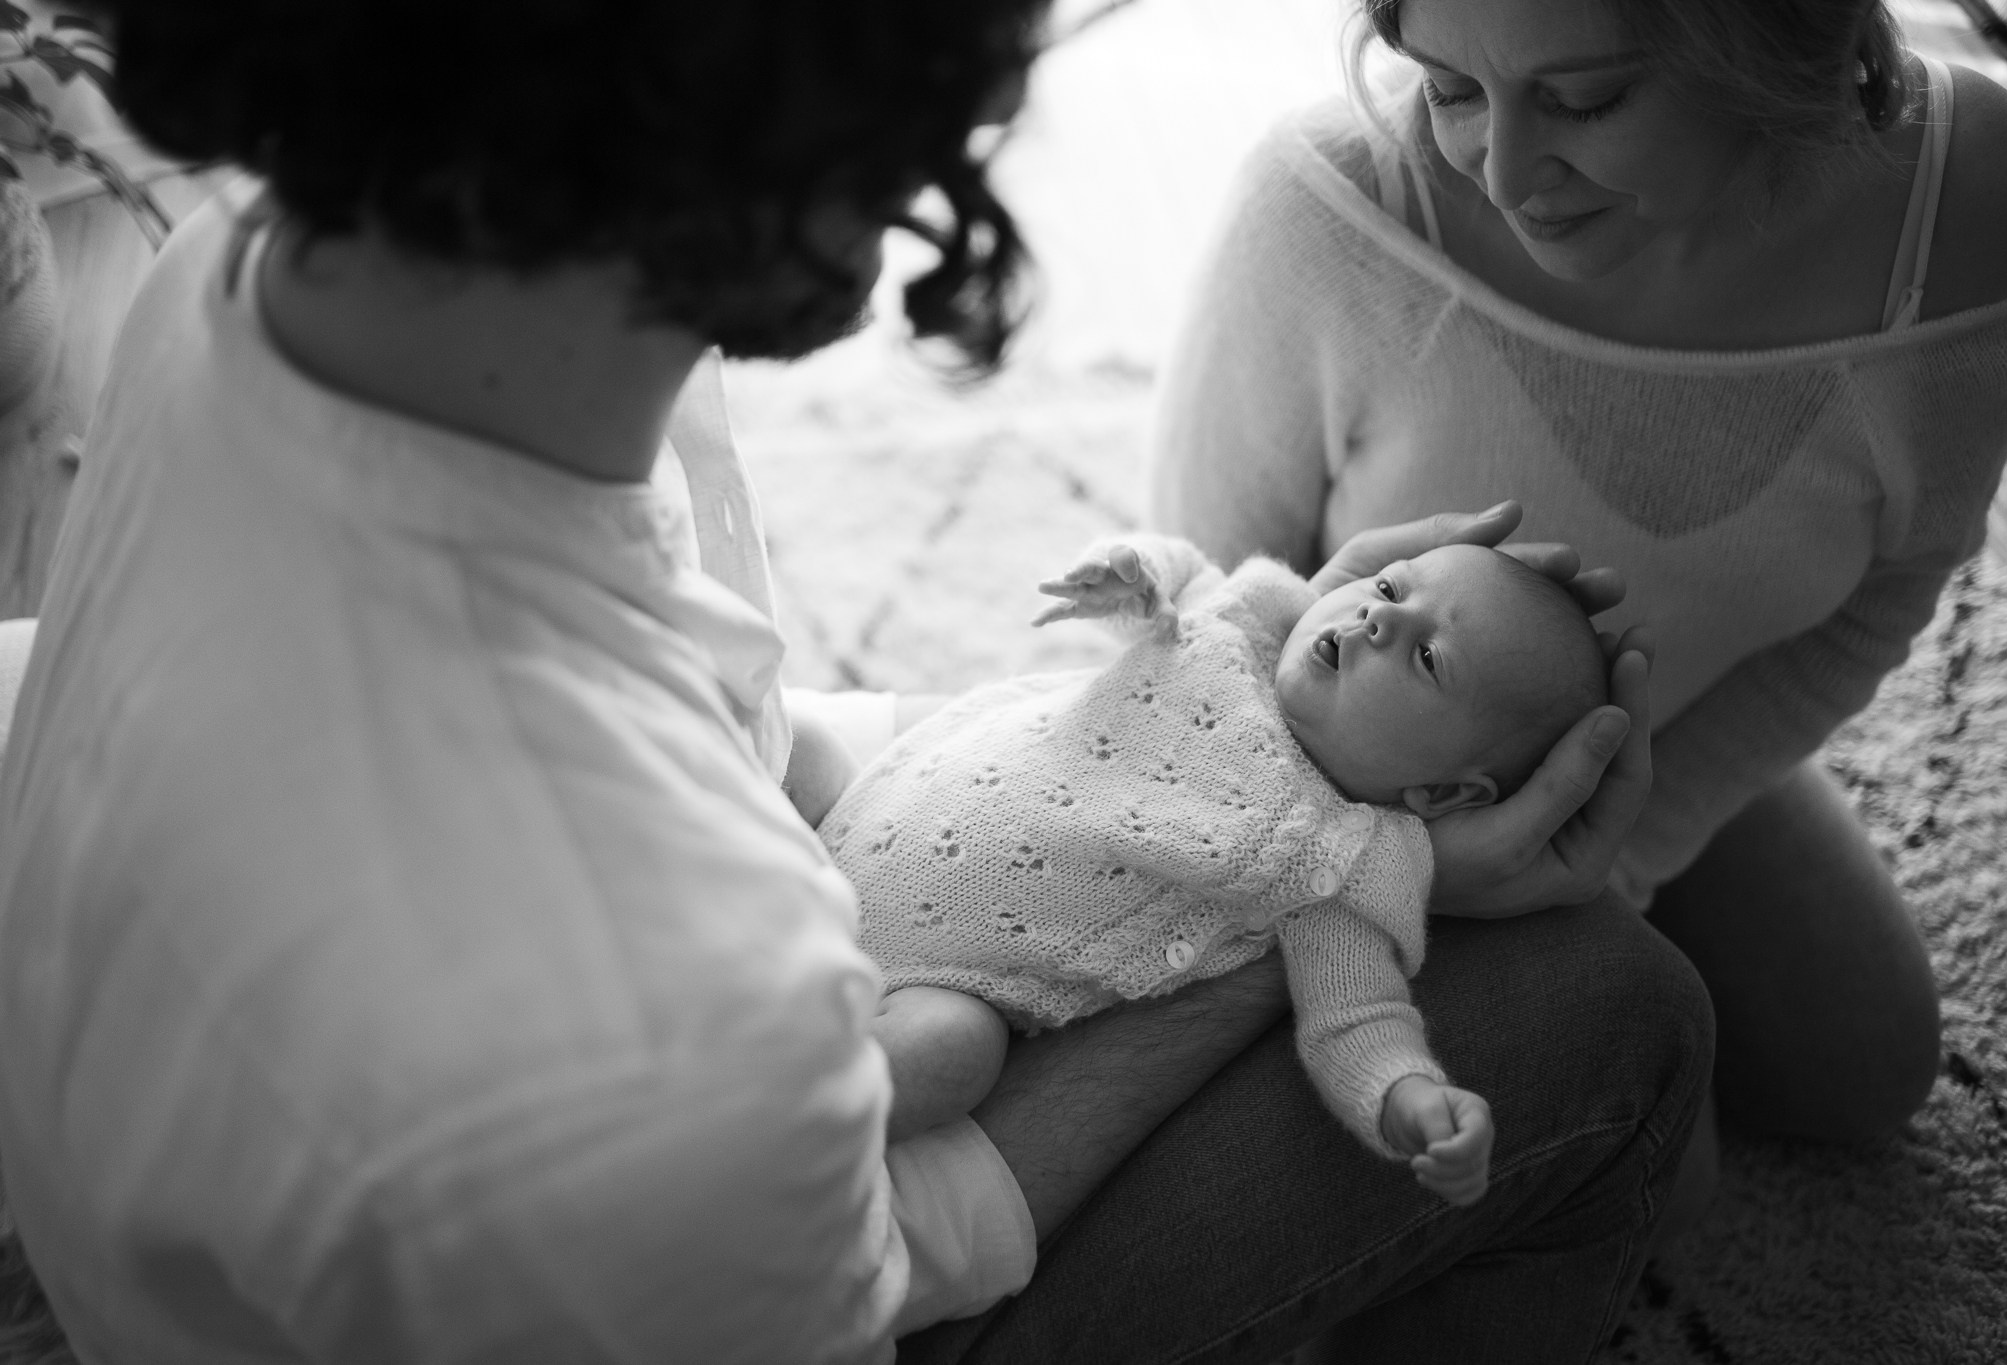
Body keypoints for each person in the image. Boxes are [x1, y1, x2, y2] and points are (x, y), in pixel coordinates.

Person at [0, 3, 1702, 1363]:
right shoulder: (662, 1011)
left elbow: (733, 719)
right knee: (1616, 1020)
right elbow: (901, 1263)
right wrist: (1309, 881)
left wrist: (1240, 714)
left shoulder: (267, 274)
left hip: (245, 1182)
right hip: (726, 1270)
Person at [1149, 0, 2007, 1228]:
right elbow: (1187, 631)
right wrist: (1405, 875)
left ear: (1772, 45)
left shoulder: (1969, 197)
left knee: (1862, 1071)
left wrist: (1612, 863)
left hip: (1636, 742)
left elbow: (1875, 602)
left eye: (1581, 100)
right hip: (1319, 796)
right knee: (1626, 1200)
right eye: (1447, 86)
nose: (1502, 172)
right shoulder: (1328, 205)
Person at [826, 532, 1610, 1212]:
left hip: (923, 979)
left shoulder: (1336, 863)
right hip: (854, 808)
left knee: (955, 1053)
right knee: (795, 741)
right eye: (1391, 585)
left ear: (1440, 791)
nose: (1381, 617)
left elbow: (1355, 1015)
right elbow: (1176, 575)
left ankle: (771, 1109)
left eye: (1428, 657)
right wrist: (1132, 569)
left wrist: (1409, 1096)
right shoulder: (1254, 613)